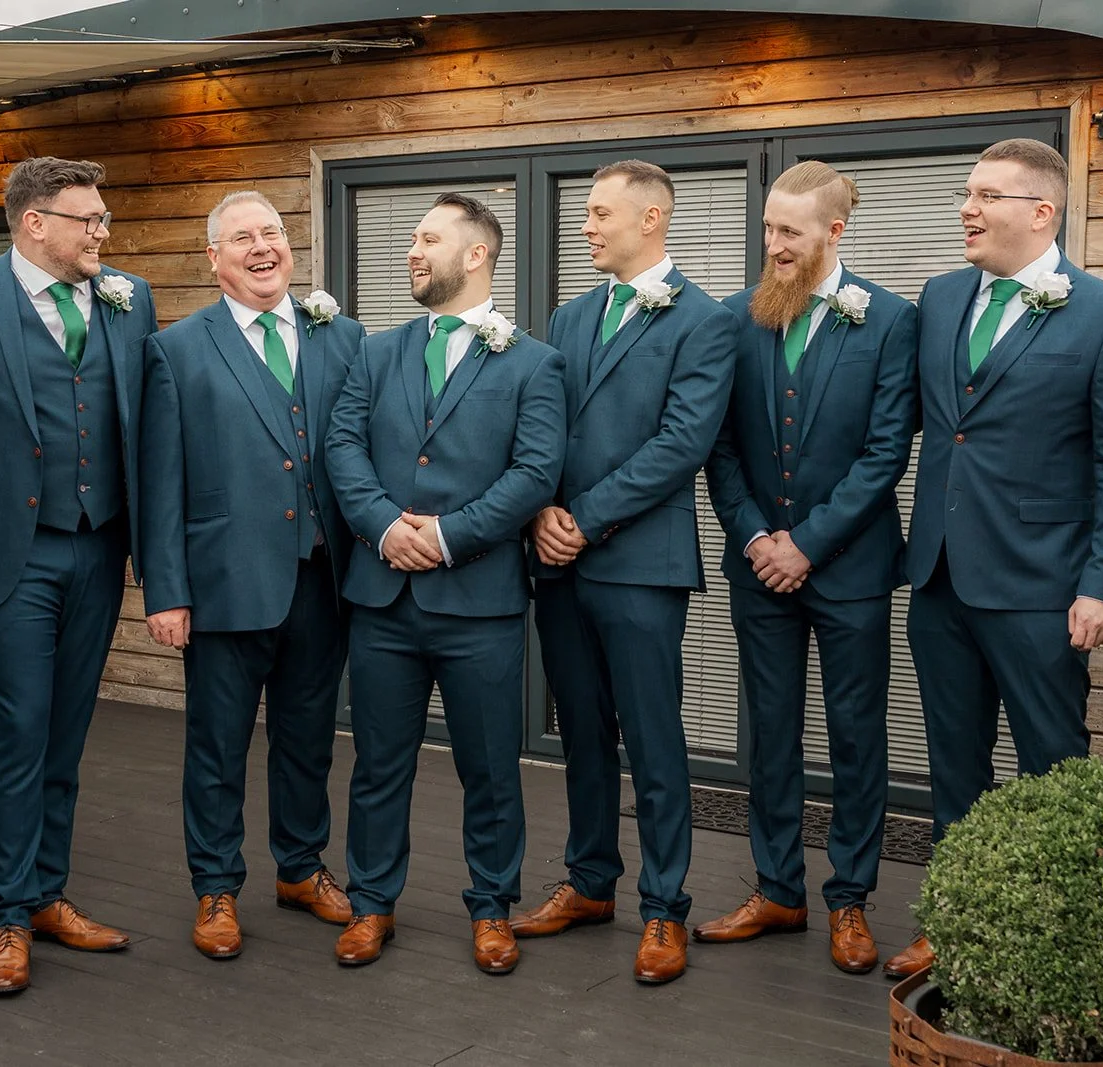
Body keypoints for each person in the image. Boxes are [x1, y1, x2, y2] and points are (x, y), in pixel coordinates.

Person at [886, 138, 1103, 979]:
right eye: (966, 192)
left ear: (1042, 211)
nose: (966, 208)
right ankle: (955, 921)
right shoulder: (936, 298)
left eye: (985, 196)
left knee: (1049, 765)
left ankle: (1058, 940)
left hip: (1044, 586)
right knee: (952, 764)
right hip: (937, 576)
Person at [0, 157, 157, 994]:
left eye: (104, 218)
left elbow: (145, 428)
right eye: (87, 219)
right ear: (34, 223)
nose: (103, 232)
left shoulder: (130, 298)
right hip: (6, 553)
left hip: (98, 547)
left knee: (66, 729)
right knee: (18, 731)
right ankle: (9, 915)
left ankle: (50, 893)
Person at [325, 192, 566, 975]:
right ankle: (371, 904)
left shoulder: (533, 361)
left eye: (428, 239)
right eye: (411, 239)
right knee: (378, 764)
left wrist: (450, 536)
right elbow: (343, 447)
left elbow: (535, 472)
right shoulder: (375, 350)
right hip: (384, 596)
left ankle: (492, 906)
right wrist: (387, 526)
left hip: (480, 602)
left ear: (476, 255)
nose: (411, 252)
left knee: (491, 766)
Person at [514, 159, 738, 985]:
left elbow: (682, 443)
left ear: (652, 219)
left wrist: (586, 516)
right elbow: (539, 425)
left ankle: (664, 906)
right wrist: (541, 510)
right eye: (586, 213)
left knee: (653, 738)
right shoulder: (568, 318)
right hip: (558, 560)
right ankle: (588, 881)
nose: (585, 226)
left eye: (600, 213)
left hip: (641, 562)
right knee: (580, 730)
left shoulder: (705, 322)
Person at [697, 160, 918, 974]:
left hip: (849, 569)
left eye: (789, 231)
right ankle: (777, 888)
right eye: (766, 229)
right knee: (771, 735)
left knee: (858, 735)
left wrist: (808, 543)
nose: (773, 245)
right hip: (758, 569)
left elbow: (885, 451)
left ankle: (851, 897)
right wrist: (757, 537)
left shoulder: (891, 322)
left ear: (835, 230)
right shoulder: (736, 317)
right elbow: (717, 448)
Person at [139, 190, 364, 959]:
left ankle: (301, 868)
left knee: (308, 741)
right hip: (225, 584)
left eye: (272, 232)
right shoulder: (176, 350)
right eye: (243, 237)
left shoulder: (343, 336)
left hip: (323, 580)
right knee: (218, 746)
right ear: (215, 258)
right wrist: (165, 590)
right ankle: (216, 887)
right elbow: (159, 482)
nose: (263, 247)